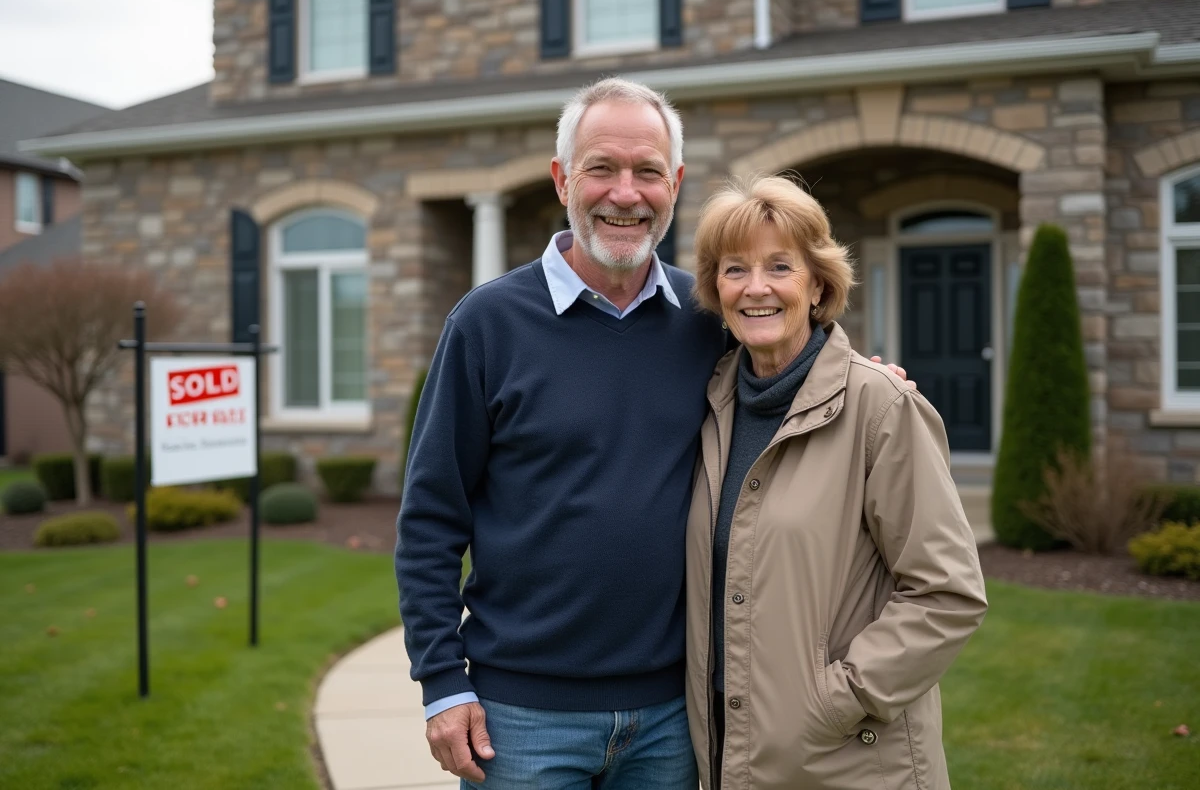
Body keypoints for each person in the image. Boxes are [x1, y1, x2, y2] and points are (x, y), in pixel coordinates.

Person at [395, 78, 912, 789]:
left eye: (646, 173)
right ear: (561, 180)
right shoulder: (486, 326)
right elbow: (429, 519)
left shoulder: (708, 323)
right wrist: (442, 684)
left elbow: (795, 368)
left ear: (675, 184)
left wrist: (870, 385)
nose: (625, 194)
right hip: (521, 718)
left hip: (675, 716)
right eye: (601, 168)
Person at [683, 175, 988, 790]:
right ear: (717, 288)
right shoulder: (708, 404)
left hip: (848, 761)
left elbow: (947, 593)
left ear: (818, 283)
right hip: (724, 754)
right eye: (735, 269)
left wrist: (836, 700)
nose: (756, 287)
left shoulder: (881, 408)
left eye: (779, 267)